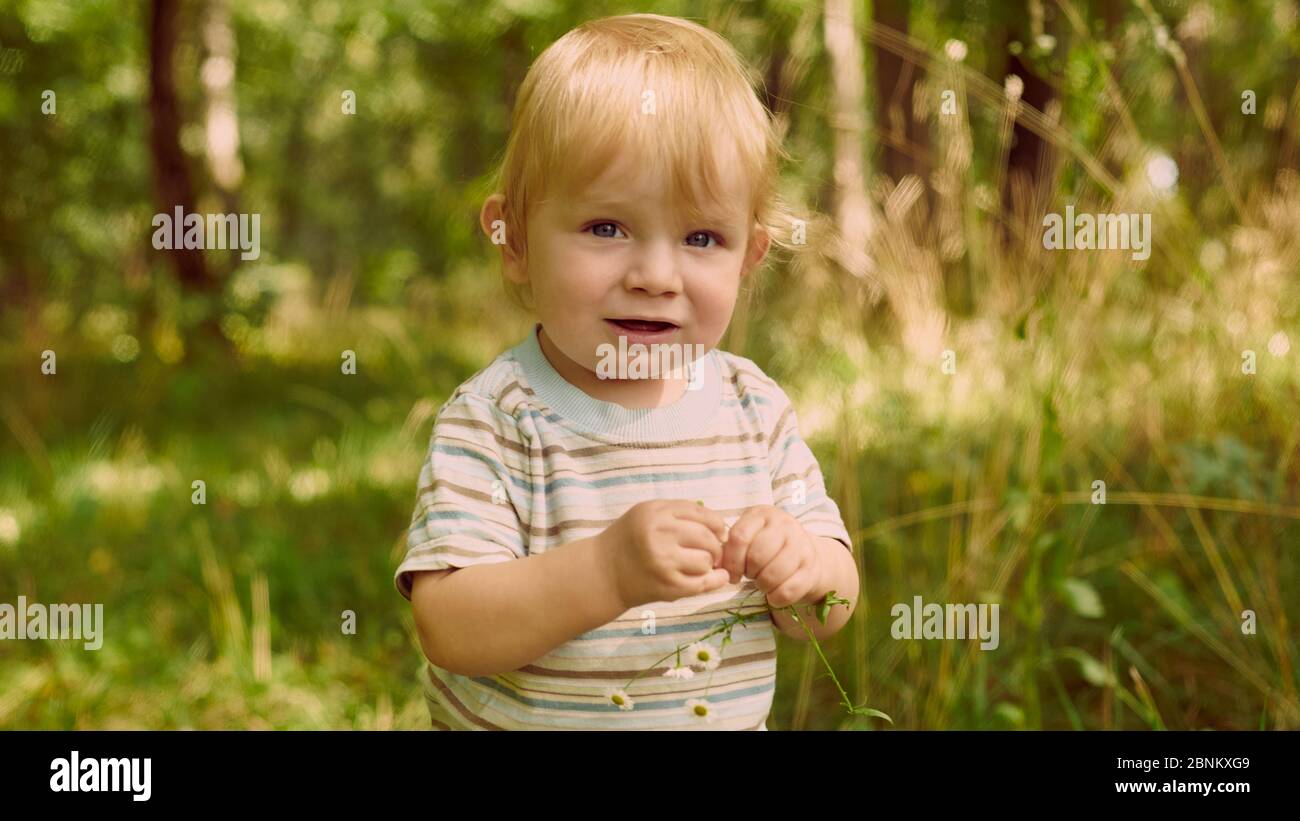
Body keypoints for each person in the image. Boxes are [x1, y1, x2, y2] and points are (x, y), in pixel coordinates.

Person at [394, 13, 858, 730]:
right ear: (514, 241)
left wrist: (806, 569)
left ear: (749, 258)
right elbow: (450, 628)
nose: (654, 274)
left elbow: (830, 598)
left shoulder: (753, 408)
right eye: (607, 228)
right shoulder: (497, 418)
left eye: (702, 237)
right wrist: (606, 572)